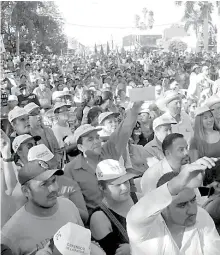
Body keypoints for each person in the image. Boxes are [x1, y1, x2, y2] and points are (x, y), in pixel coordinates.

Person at [127, 157, 220, 254]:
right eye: (182, 205)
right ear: (163, 207)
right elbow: (134, 217)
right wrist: (178, 182)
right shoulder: (145, 229)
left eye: (193, 200)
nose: (192, 210)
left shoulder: (202, 216)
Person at [64, 102, 143, 214]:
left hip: (124, 208)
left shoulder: (109, 151)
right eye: (90, 139)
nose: (96, 141)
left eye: (97, 137)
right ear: (80, 147)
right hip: (99, 216)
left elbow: (124, 131)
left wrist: (134, 110)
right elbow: (73, 203)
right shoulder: (70, 169)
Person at [1, 160, 84, 255]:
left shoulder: (69, 206)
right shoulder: (10, 234)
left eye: (53, 181)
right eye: (44, 184)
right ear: (26, 191)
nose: (54, 188)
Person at [89, 159, 135, 255]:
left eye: (126, 181)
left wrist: (134, 248)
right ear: (102, 187)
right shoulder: (99, 218)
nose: (125, 188)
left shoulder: (138, 198)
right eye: (117, 184)